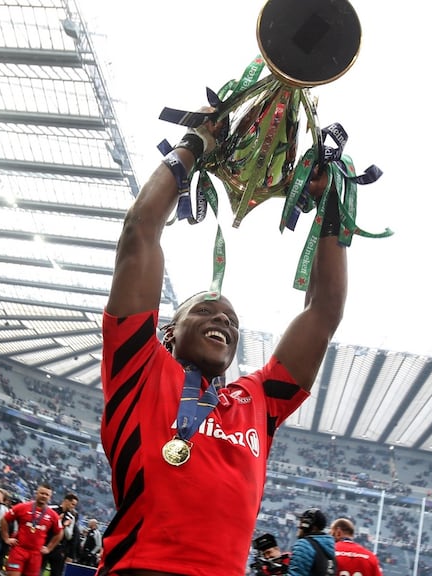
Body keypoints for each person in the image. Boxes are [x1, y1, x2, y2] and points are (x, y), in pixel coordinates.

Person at [100, 106, 348, 576]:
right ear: (169, 331)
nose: (223, 322)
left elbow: (324, 312)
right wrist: (197, 144)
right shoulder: (138, 368)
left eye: (231, 320)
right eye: (206, 311)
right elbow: (141, 232)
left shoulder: (258, 401)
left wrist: (332, 202)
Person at [0, 483, 63, 576]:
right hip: (19, 550)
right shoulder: (22, 507)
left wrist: (49, 548)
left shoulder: (53, 515)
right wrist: (6, 538)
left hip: (36, 554)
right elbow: (4, 520)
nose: (44, 496)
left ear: (50, 497)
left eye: (47, 495)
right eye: (42, 493)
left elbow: (59, 533)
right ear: (36, 493)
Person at [288, 509, 336, 576]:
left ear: (307, 524)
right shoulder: (330, 548)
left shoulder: (304, 545)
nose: (298, 525)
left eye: (301, 522)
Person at [43, 493, 79, 576]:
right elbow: (44, 526)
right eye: (72, 504)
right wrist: (58, 521)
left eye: (75, 505)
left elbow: (69, 536)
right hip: (45, 545)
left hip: (59, 550)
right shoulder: (51, 509)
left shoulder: (71, 517)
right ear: (66, 501)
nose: (73, 507)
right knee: (37, 570)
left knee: (56, 573)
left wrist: (65, 526)